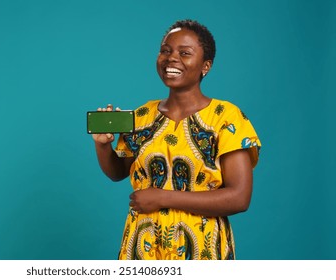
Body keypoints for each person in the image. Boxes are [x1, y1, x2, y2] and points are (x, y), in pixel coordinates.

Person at [92, 19, 261, 260]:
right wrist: (102, 145)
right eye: (165, 51)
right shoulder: (142, 116)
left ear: (206, 66)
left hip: (201, 248)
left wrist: (162, 198)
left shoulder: (226, 118)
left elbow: (239, 197)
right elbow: (118, 171)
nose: (171, 58)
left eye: (185, 53)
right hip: (144, 245)